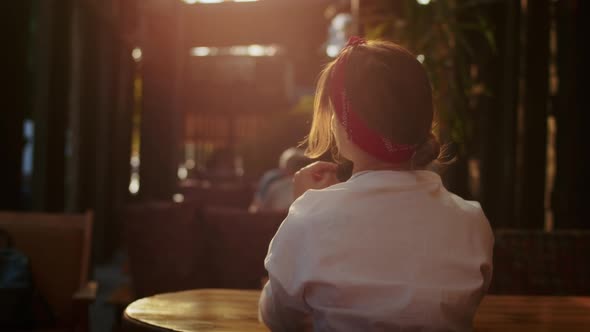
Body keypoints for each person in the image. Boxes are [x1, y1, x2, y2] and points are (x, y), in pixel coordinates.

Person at [259, 37, 494, 331]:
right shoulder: (472, 222)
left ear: (346, 126)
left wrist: (304, 207)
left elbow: (278, 317)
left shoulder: (309, 217)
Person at [250, 148, 311, 212]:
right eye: (293, 164)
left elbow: (256, 208)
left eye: (298, 164)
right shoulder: (271, 180)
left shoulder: (272, 182)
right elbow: (256, 207)